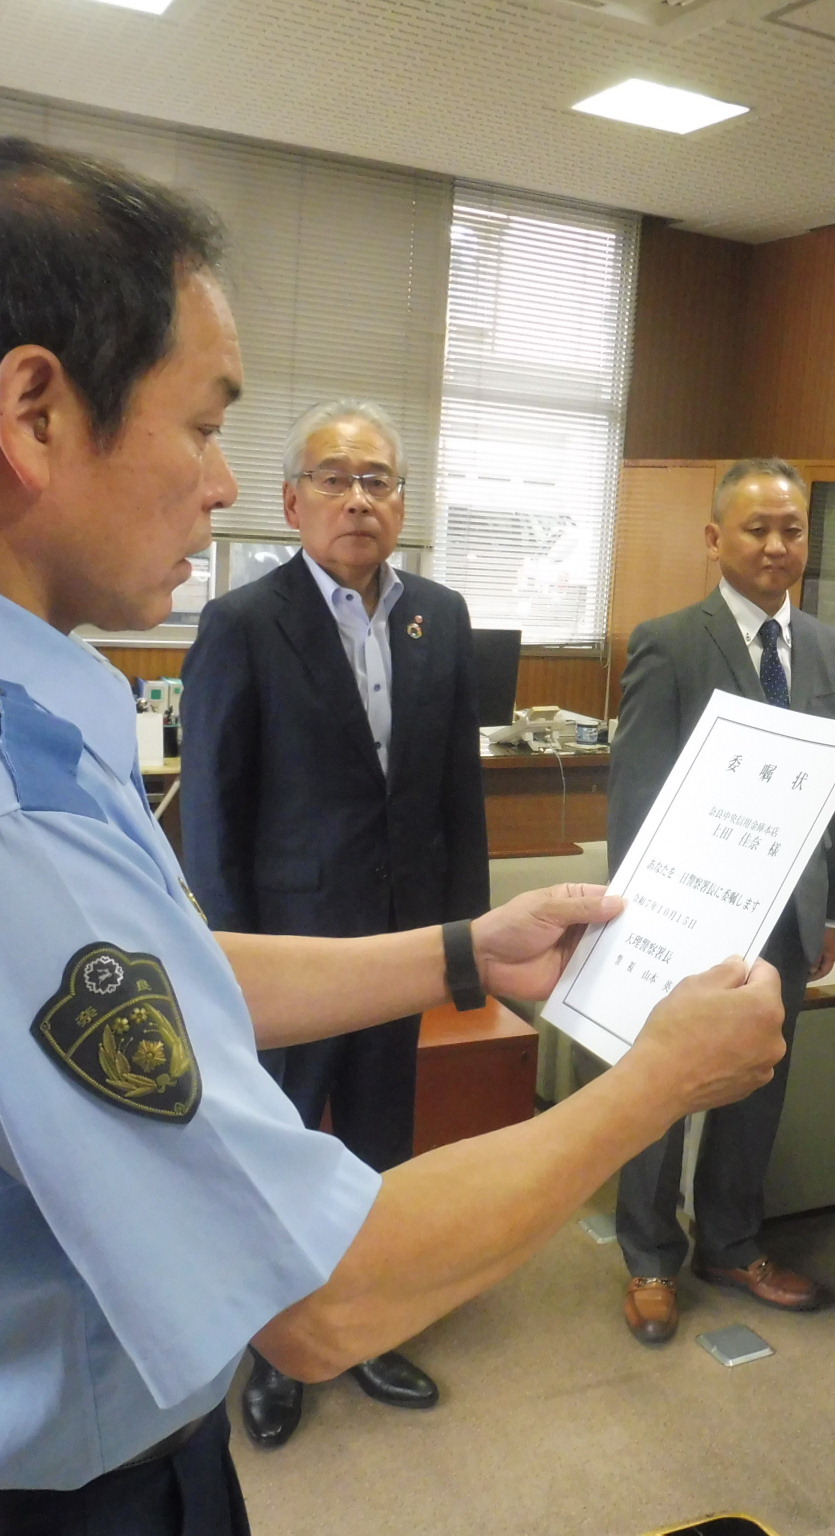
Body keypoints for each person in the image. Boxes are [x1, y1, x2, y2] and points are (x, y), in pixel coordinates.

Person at [0, 138, 786, 1536]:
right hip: (33, 1504)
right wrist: (657, 1080)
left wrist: (461, 949)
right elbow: (322, 1296)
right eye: (203, 424)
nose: (222, 484)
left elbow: (155, 973)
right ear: (36, 412)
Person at [181, 398, 487, 1445]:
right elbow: (213, 811)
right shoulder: (242, 624)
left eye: (378, 479)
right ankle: (275, 1346)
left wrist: (466, 942)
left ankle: (365, 1324)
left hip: (403, 943)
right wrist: (228, 968)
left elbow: (454, 791)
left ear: (402, 500)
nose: (359, 499)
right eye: (335, 478)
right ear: (291, 502)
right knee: (274, 1148)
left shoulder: (438, 615)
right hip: (292, 952)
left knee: (377, 1144)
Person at [607, 456, 835, 1344]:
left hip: (788, 918)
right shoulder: (670, 641)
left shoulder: (832, 650)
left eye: (792, 529)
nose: (776, 545)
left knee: (759, 1082)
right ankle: (648, 1255)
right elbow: (636, 794)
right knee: (663, 1086)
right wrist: (639, 916)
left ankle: (730, 1241)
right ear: (716, 539)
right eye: (757, 529)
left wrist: (834, 910)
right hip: (690, 911)